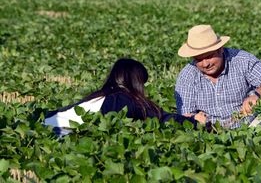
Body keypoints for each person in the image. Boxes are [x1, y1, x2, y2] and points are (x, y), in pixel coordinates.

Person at [45, 58, 207, 136]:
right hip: (59, 136)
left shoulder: (100, 97)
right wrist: (194, 121)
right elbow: (158, 119)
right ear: (136, 81)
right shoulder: (122, 99)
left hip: (46, 127)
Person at [175, 25, 261, 129]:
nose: (205, 64)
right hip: (209, 133)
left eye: (209, 56)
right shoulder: (187, 76)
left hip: (249, 125)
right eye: (199, 59)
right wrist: (193, 119)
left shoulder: (242, 60)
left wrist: (257, 95)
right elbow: (185, 116)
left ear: (220, 49)